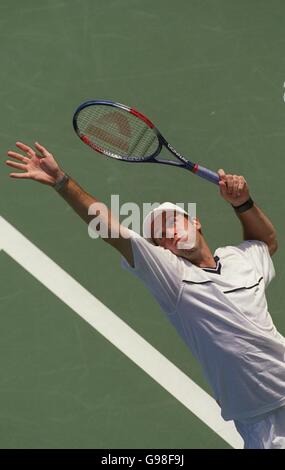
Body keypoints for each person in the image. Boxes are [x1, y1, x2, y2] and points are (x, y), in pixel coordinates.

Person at [5, 141, 285, 449]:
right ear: (162, 252)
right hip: (260, 425)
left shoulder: (238, 259)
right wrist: (62, 182)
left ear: (195, 222)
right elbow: (113, 231)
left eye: (172, 222)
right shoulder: (175, 278)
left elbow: (266, 243)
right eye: (160, 236)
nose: (168, 234)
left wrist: (243, 203)